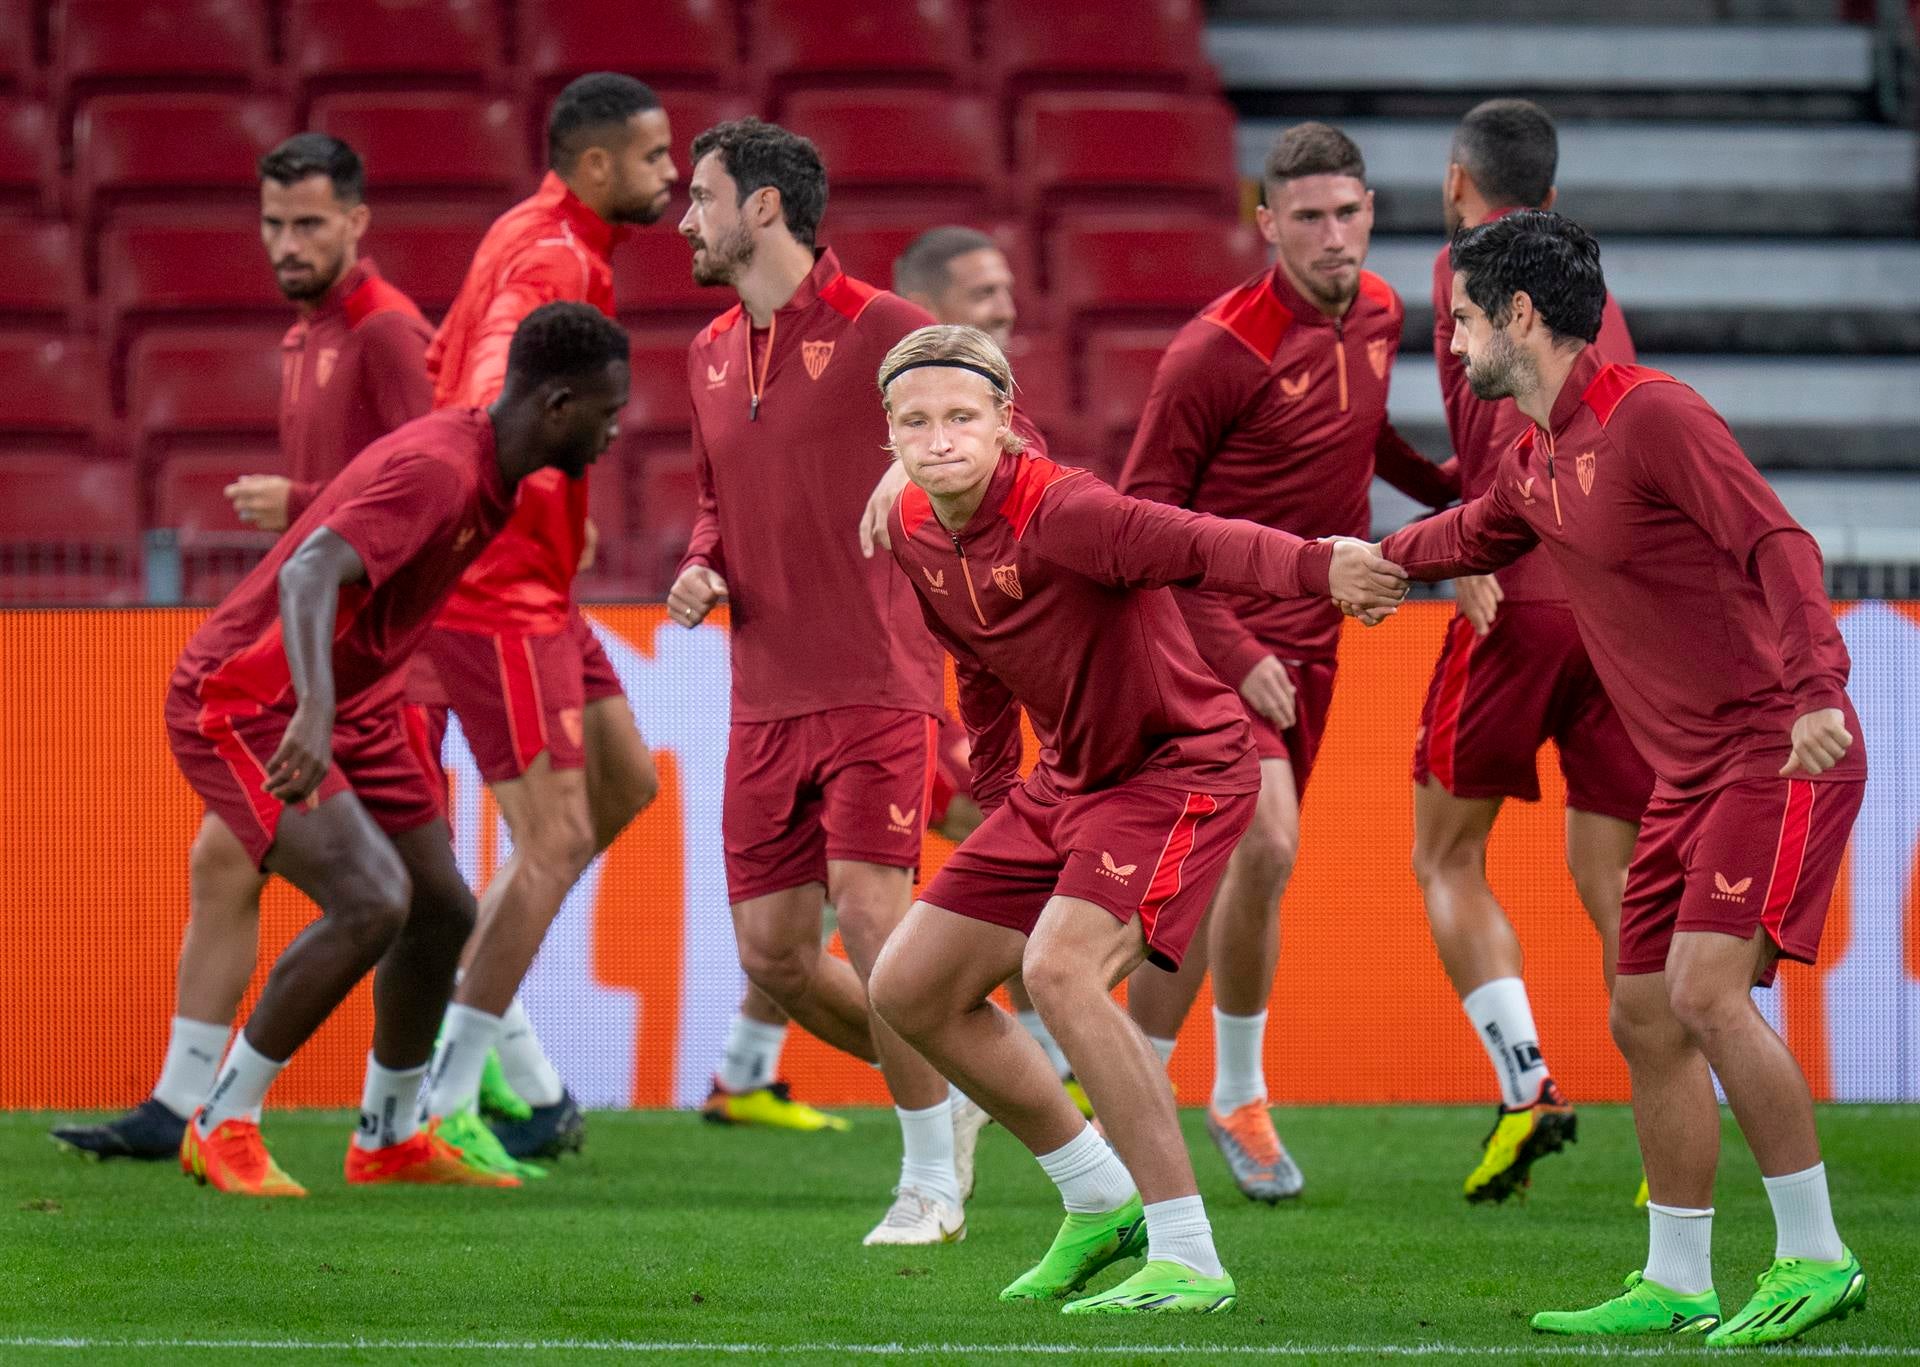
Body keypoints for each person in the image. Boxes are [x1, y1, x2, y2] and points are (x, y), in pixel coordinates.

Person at [1374, 210, 1867, 1348]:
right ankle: (1679, 1276)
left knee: (1700, 991)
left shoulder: (1654, 415)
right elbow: (1472, 533)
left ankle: (1818, 1254)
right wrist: (1345, 567)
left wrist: (1815, 690)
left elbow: (1781, 546)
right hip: (1685, 775)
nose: (1447, 343)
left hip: (1775, 747)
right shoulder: (1536, 453)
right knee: (1644, 1013)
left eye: (1459, 319)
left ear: (1520, 317)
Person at [865, 323, 1409, 1313]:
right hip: (1062, 788)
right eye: (915, 421)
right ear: (890, 434)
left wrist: (1323, 566)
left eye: (960, 416)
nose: (938, 436)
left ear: (1004, 423)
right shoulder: (907, 524)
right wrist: (1000, 802)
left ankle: (1190, 1253)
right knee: (905, 985)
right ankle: (1095, 1195)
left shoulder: (1065, 510)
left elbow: (1200, 544)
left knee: (1060, 967)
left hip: (1180, 767)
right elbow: (980, 669)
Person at [170, 303, 632, 1196]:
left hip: (357, 703)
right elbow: (309, 570)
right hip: (250, 698)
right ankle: (221, 1120)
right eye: (608, 413)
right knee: (372, 900)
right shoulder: (444, 469)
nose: (616, 433)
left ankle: (389, 1134)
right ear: (561, 403)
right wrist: (311, 709)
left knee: (442, 910)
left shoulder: (495, 471)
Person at [50, 133, 437, 1161]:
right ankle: (184, 1105)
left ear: (358, 221)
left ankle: (466, 1090)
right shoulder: (306, 334)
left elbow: (431, 485)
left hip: (371, 672)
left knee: (404, 894)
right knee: (230, 861)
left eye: (309, 222)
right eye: (273, 223)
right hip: (321, 658)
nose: (287, 242)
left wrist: (301, 504)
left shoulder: (389, 333)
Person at [1115, 121, 1457, 1203]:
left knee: (1232, 869)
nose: (1332, 234)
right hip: (1215, 631)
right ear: (1266, 224)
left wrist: (1461, 502)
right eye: (1307, 216)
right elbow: (1141, 521)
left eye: (1348, 212)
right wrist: (1232, 643)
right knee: (1264, 838)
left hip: (1320, 637)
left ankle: (1142, 1078)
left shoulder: (1383, 312)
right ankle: (1239, 1090)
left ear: (1371, 213)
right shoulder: (1214, 349)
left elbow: (1363, 441)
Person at [668, 118, 962, 1245]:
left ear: (763, 208)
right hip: (761, 692)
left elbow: (997, 441)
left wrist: (920, 483)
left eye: (702, 197)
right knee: (777, 957)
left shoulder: (888, 327)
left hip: (879, 679)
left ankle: (931, 1176)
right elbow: (712, 499)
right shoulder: (701, 352)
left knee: (876, 917)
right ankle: (968, 1066)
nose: (685, 218)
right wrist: (700, 563)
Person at [702, 225, 1032, 1137]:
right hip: (868, 677)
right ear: (928, 310)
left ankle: (761, 1069)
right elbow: (725, 493)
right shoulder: (880, 357)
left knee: (865, 895)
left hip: (912, 678)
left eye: (1007, 293)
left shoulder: (983, 425)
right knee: (898, 885)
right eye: (984, 295)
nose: (1004, 310)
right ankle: (1012, 1052)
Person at [413, 73, 675, 1172]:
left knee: (623, 787)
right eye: (658, 158)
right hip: (501, 583)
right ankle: (443, 1097)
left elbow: (444, 366)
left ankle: (498, 1055)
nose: (670, 175)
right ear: (599, 165)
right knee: (558, 836)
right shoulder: (551, 258)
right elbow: (484, 393)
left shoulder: (529, 232)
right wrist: (529, 499)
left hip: (543, 577)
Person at [1414, 99, 1654, 1204]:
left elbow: (1516, 420)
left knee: (1447, 852)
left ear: (1460, 181)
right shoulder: (1589, 292)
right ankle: (1676, 1078)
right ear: (1552, 197)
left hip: (1516, 584)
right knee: (1613, 876)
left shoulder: (1465, 266)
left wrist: (1474, 538)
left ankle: (1527, 1088)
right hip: (1617, 608)